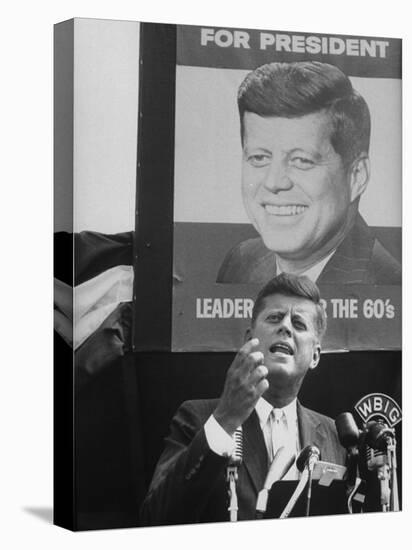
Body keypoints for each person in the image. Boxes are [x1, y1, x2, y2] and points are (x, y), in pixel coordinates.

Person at [140, 273, 346, 526]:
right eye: (274, 318)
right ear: (249, 339)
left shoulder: (335, 436)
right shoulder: (198, 418)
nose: (286, 327)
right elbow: (155, 518)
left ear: (315, 356)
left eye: (299, 324)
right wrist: (225, 418)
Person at [217, 61, 401, 285]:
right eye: (259, 158)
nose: (274, 182)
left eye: (301, 160)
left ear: (357, 176)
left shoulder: (389, 286)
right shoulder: (241, 262)